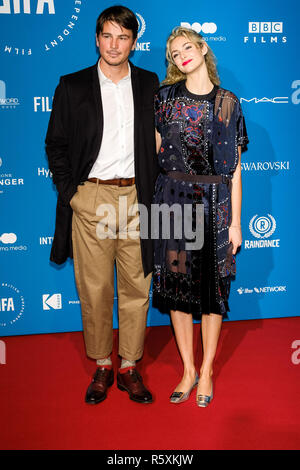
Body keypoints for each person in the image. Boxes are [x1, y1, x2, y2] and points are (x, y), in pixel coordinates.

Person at [45, 5, 159, 405]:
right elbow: (55, 145)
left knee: (137, 286)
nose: (114, 45)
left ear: (133, 42)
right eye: (107, 36)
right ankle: (102, 365)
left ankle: (129, 365)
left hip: (137, 196)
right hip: (91, 196)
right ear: (96, 39)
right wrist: (73, 194)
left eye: (123, 37)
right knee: (94, 288)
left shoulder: (148, 83)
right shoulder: (72, 85)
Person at [153, 27, 249, 407]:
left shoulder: (228, 102)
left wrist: (236, 223)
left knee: (211, 294)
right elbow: (153, 153)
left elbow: (236, 170)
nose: (182, 57)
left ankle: (207, 370)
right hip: (172, 202)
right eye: (175, 54)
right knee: (177, 292)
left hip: (216, 203)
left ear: (203, 47)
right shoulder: (164, 98)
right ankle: (188, 370)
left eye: (187, 48)